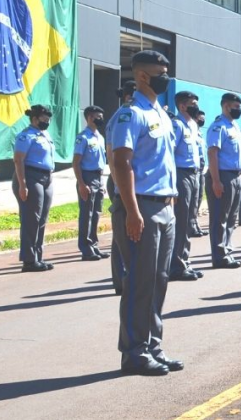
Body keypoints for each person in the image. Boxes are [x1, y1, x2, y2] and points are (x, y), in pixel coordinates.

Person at [110, 49, 182, 377]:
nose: (164, 77)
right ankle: (134, 352)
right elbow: (121, 163)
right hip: (142, 206)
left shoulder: (161, 114)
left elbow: (163, 161)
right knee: (139, 282)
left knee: (159, 281)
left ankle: (153, 345)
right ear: (142, 76)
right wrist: (131, 210)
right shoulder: (130, 114)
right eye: (159, 72)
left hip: (165, 206)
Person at [166, 91, 204, 282]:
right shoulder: (177, 125)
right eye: (192, 103)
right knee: (181, 220)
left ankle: (183, 261)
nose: (195, 106)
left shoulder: (193, 125)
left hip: (194, 174)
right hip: (181, 175)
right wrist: (172, 184)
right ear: (182, 106)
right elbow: (170, 155)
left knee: (189, 219)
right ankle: (176, 265)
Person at [13, 105, 56, 273]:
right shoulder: (26, 136)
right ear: (34, 119)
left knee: (42, 219)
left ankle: (38, 256)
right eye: (43, 119)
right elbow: (18, 160)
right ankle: (29, 260)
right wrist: (22, 185)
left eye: (48, 119)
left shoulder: (45, 135)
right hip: (31, 177)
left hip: (46, 177)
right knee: (31, 219)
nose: (47, 122)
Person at [205, 93, 241, 269]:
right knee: (220, 217)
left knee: (231, 218)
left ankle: (227, 251)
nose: (239, 110)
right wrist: (216, 180)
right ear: (225, 106)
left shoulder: (235, 127)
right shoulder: (218, 127)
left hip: (236, 176)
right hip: (223, 175)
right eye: (235, 107)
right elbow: (212, 154)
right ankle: (219, 255)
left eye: (239, 107)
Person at [106, 80, 136, 295]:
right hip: (121, 179)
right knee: (121, 234)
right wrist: (119, 185)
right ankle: (121, 280)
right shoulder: (123, 116)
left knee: (128, 233)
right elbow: (113, 156)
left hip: (129, 180)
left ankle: (125, 278)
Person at [74, 105, 109, 261]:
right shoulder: (83, 137)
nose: (100, 118)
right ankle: (86, 248)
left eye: (101, 115)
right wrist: (81, 183)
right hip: (87, 177)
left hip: (98, 177)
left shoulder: (99, 137)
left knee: (96, 214)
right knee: (86, 214)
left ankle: (94, 245)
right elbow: (76, 162)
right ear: (89, 117)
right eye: (97, 116)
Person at [191, 109, 208, 238]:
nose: (202, 120)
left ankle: (194, 223)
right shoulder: (191, 131)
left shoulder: (199, 133)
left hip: (201, 170)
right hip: (192, 170)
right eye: (200, 118)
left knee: (198, 199)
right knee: (191, 201)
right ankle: (191, 226)